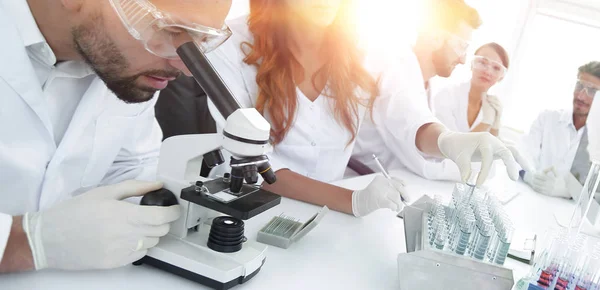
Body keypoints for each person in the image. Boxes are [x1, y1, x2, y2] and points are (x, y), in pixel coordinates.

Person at [204, 0, 523, 218]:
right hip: (247, 214)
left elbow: (405, 111)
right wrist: (353, 201)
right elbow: (256, 164)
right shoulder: (229, 44)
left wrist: (447, 141)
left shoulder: (368, 47)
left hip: (331, 221)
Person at [0, 0, 232, 273]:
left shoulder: (122, 65)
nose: (186, 68)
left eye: (202, 40)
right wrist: (23, 242)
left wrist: (183, 202)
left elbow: (132, 165)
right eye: (169, 29)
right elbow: (32, 241)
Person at [352, 0, 525, 182]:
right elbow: (416, 127)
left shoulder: (425, 84)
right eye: (461, 46)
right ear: (435, 38)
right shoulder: (398, 69)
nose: (463, 60)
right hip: (363, 178)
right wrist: (454, 144)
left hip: (394, 175)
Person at [519, 62, 600, 198]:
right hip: (529, 196)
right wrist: (529, 175)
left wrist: (571, 192)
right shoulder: (547, 118)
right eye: (579, 86)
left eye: (592, 91)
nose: (581, 96)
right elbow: (522, 153)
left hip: (566, 213)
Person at [434, 43, 509, 136]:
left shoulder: (492, 107)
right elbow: (451, 146)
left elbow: (492, 147)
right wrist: (485, 123)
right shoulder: (447, 95)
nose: (488, 71)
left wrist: (495, 126)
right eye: (482, 63)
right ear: (472, 64)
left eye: (496, 68)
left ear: (501, 77)